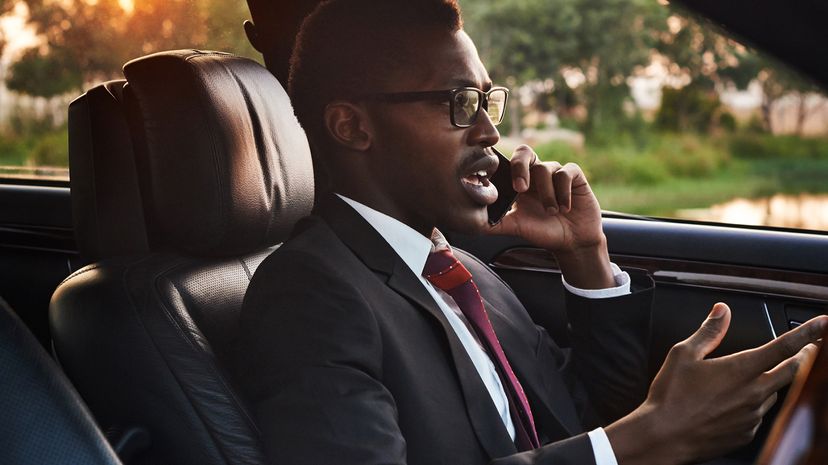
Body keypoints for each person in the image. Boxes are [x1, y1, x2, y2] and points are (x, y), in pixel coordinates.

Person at [235, 1, 827, 464]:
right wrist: (645, 440)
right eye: (460, 103)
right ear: (351, 126)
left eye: (489, 100)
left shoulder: (466, 273)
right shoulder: (309, 293)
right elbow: (619, 443)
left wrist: (586, 256)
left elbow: (591, 419)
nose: (490, 132)